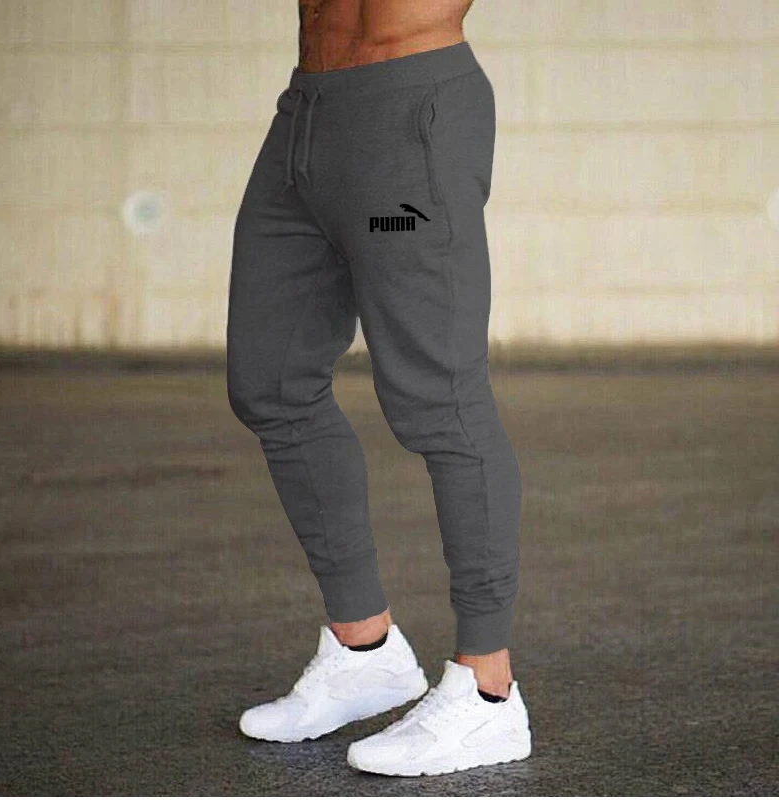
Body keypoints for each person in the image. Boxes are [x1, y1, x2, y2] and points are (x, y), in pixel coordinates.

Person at [227, 0, 532, 776]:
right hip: (305, 118)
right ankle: (364, 652)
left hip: (409, 119)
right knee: (270, 382)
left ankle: (487, 691)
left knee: (440, 400)